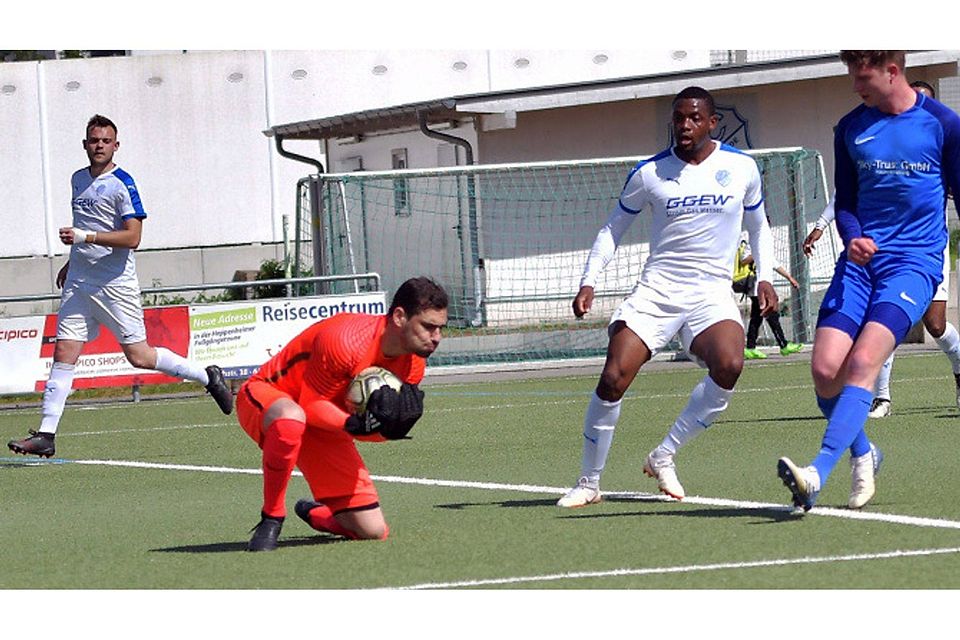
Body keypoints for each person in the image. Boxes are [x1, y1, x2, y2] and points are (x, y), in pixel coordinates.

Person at [557, 86, 779, 507]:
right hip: (657, 291)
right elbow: (612, 230)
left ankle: (664, 454)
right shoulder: (649, 173)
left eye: (695, 118)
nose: (685, 126)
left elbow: (759, 226)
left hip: (711, 292)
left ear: (713, 123)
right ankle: (589, 482)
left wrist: (765, 277)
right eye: (678, 118)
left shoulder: (742, 168)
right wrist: (589, 280)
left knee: (730, 364)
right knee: (613, 376)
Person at [778, 51, 960, 512]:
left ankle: (817, 472)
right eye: (852, 77)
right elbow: (846, 203)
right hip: (859, 266)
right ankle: (865, 453)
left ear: (892, 71)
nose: (856, 87)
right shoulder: (850, 128)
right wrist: (853, 237)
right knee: (825, 373)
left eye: (864, 78)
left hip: (913, 265)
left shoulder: (943, 124)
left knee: (863, 364)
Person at [7, 115, 233, 459]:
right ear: (85, 144)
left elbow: (133, 237)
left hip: (115, 285)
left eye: (105, 140)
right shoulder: (77, 179)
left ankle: (206, 375)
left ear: (116, 145)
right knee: (64, 352)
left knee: (139, 356)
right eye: (93, 140)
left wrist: (85, 237)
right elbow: (87, 225)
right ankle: (46, 434)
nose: (99, 145)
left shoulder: (122, 183)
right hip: (80, 283)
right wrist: (74, 259)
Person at [237, 276, 447, 551]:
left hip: (324, 421)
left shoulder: (412, 366)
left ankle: (318, 513)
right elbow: (311, 406)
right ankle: (272, 517)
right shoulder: (347, 340)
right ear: (399, 316)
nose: (436, 338)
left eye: (441, 328)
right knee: (291, 419)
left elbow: (362, 428)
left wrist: (387, 431)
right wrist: (354, 424)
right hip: (271, 397)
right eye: (428, 327)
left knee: (373, 530)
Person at [802, 80, 960, 419]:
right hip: (878, 254)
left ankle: (959, 370)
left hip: (926, 253)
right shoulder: (869, 137)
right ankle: (882, 398)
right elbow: (844, 198)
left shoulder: (940, 136)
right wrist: (821, 226)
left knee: (935, 325)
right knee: (880, 324)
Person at [734, 231, 803, 359]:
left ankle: (750, 348)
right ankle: (783, 345)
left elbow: (772, 262)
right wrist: (757, 253)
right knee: (770, 313)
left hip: (762, 285)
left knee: (757, 316)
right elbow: (744, 260)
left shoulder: (764, 241)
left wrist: (789, 277)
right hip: (755, 283)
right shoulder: (751, 239)